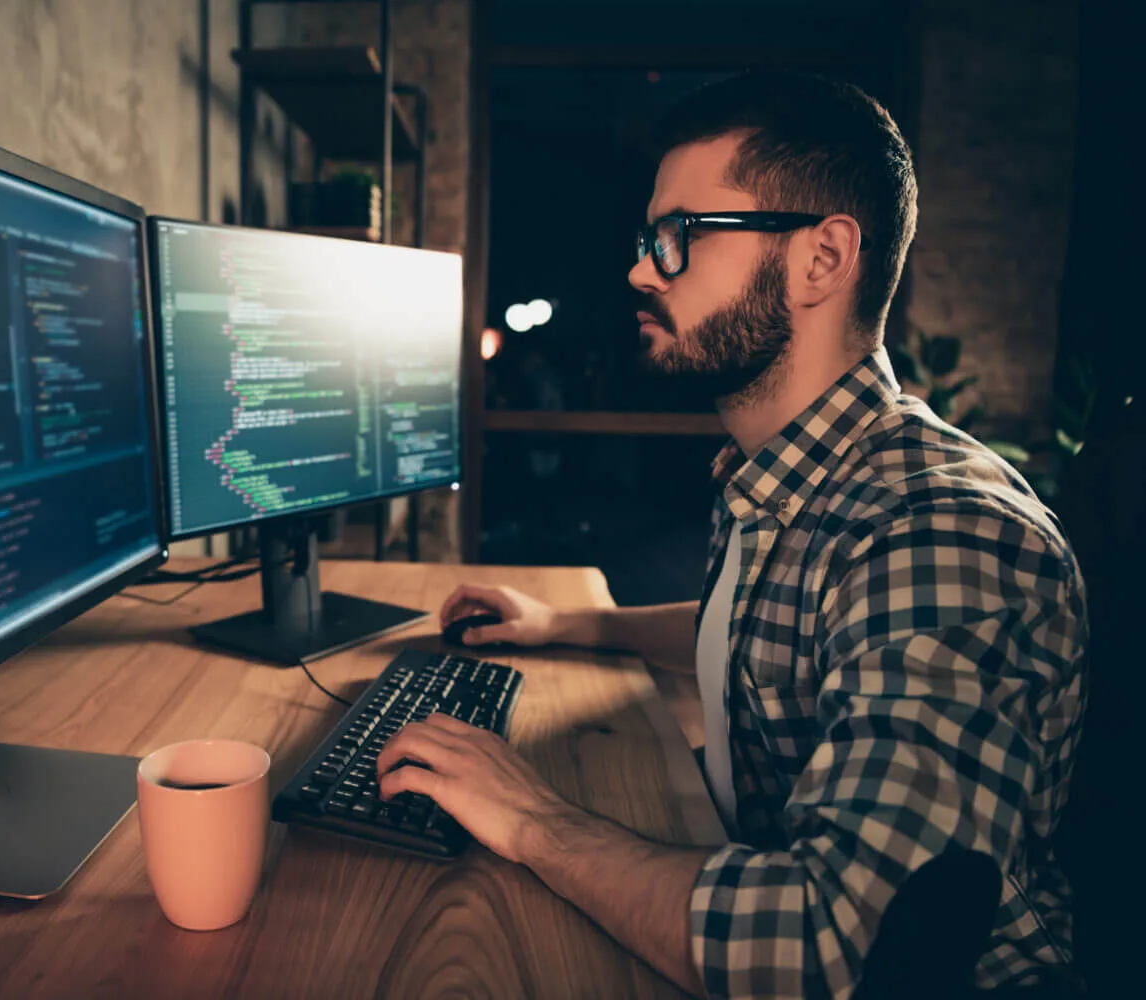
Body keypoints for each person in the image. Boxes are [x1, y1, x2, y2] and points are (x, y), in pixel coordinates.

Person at [375, 72, 1087, 999]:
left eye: (678, 238)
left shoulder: (941, 533)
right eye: (646, 240)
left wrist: (533, 818)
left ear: (823, 259)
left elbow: (830, 948)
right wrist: (570, 627)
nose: (640, 269)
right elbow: (766, 636)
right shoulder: (797, 474)